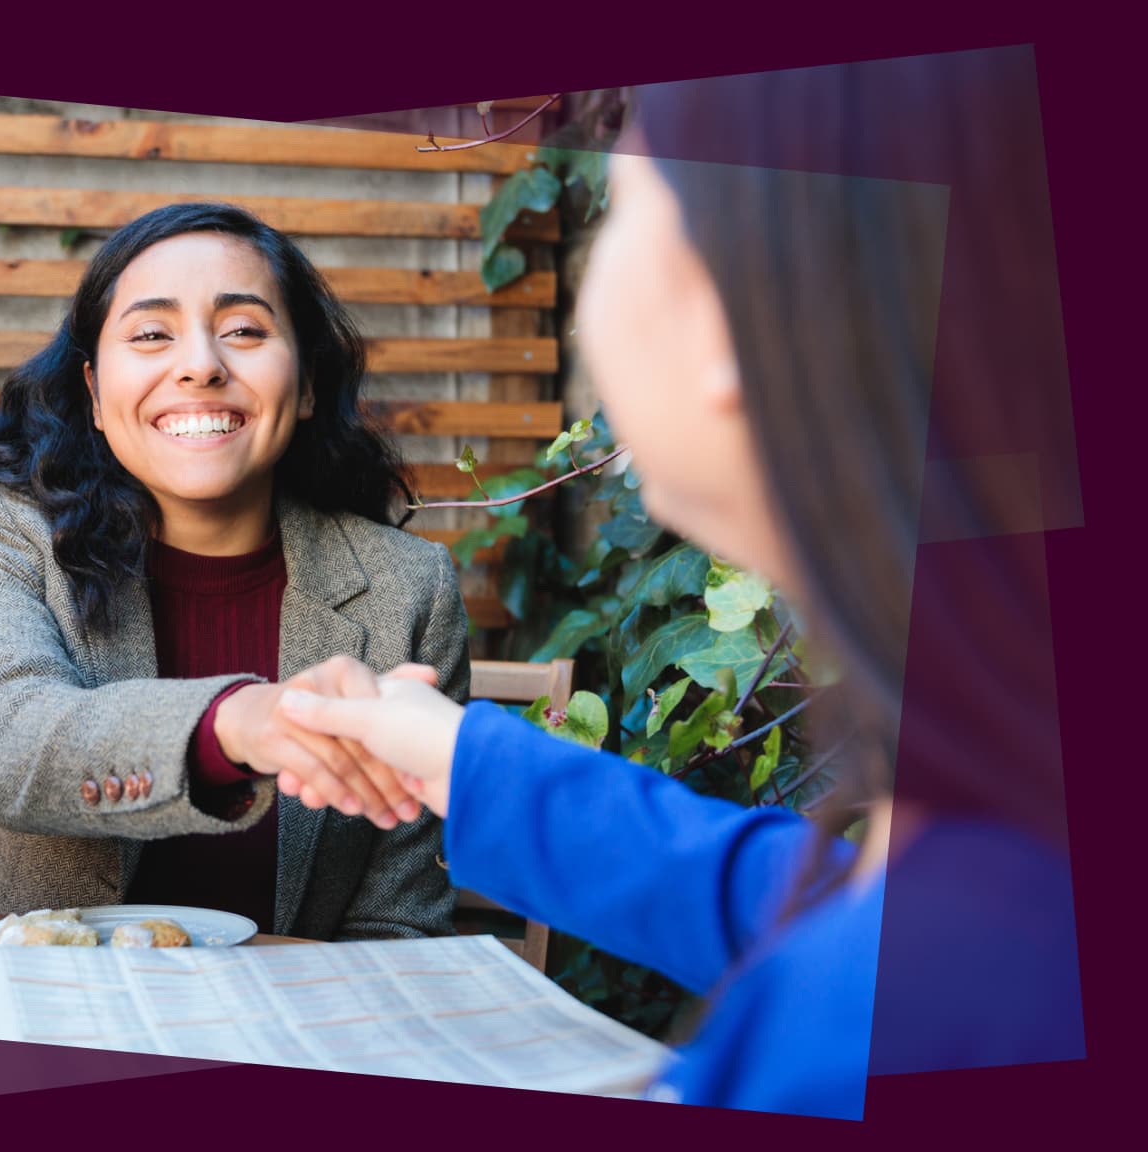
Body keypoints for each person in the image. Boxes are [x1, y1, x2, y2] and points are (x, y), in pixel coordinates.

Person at [275, 52, 1083, 1118]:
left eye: (628, 207)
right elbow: (819, 904)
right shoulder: (1005, 880)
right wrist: (463, 758)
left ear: (744, 312)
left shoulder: (908, 1016)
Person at [0, 201, 460, 940]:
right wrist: (235, 723)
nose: (201, 366)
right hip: (57, 1024)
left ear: (307, 384)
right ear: (93, 392)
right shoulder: (5, 532)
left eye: (244, 331)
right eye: (152, 334)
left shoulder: (410, 588)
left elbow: (399, 924)